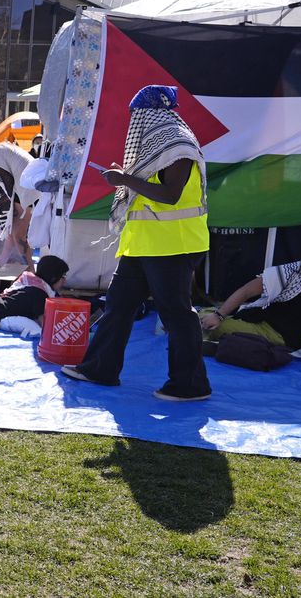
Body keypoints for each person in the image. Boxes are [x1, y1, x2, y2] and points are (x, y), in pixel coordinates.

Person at [61, 84, 212, 402]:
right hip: (144, 245)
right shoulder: (161, 147)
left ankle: (190, 385)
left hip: (174, 245)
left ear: (152, 116)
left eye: (138, 116)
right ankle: (99, 368)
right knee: (117, 307)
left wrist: (125, 179)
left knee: (176, 314)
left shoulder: (179, 147)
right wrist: (126, 178)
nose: (134, 123)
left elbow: (171, 196)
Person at [201, 241, 301, 360]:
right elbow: (246, 291)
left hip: (278, 336)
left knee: (200, 320)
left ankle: (223, 345)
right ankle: (227, 343)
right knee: (206, 317)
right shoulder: (294, 272)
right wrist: (219, 315)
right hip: (260, 320)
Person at [0, 142, 39, 267]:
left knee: (18, 235)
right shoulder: (4, 151)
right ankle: (0, 265)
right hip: (30, 186)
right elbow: (10, 187)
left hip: (28, 190)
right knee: (11, 234)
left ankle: (31, 272)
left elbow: (9, 184)